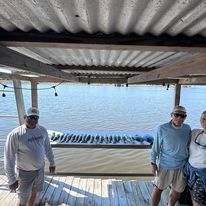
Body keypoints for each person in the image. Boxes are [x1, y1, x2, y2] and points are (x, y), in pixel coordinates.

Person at [4, 107, 56, 206]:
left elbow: (47, 148)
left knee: (34, 193)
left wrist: (52, 162)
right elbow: (9, 158)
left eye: (36, 118)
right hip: (24, 173)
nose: (33, 120)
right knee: (22, 200)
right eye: (30, 117)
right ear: (25, 117)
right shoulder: (15, 134)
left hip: (40, 170)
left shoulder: (42, 130)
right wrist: (11, 179)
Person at [151, 105, 191, 206]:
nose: (179, 118)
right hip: (165, 165)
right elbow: (155, 148)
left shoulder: (187, 128)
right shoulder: (162, 128)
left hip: (182, 166)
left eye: (183, 116)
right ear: (171, 115)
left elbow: (189, 146)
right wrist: (153, 163)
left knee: (177, 190)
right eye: (176, 114)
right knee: (158, 188)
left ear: (185, 117)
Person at [184, 111, 206, 206]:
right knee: (191, 193)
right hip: (190, 171)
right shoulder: (194, 132)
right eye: (202, 119)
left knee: (198, 201)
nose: (204, 121)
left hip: (203, 174)